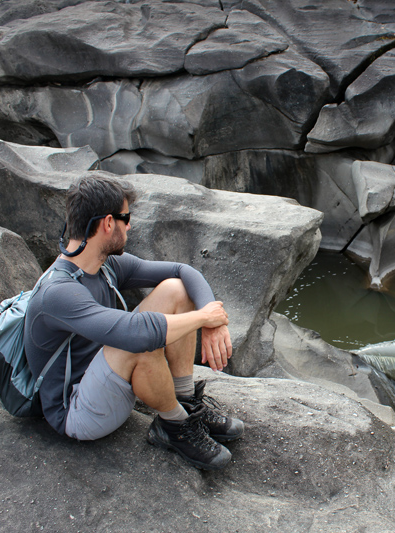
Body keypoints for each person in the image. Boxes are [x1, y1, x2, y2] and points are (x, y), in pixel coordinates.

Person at [25, 173, 243, 470]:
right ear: (108, 223)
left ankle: (186, 403)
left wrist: (211, 320)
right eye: (126, 218)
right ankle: (175, 426)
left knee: (175, 290)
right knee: (139, 337)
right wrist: (204, 317)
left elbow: (183, 271)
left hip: (108, 377)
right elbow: (135, 336)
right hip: (78, 413)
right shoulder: (58, 292)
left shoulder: (104, 266)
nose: (130, 225)